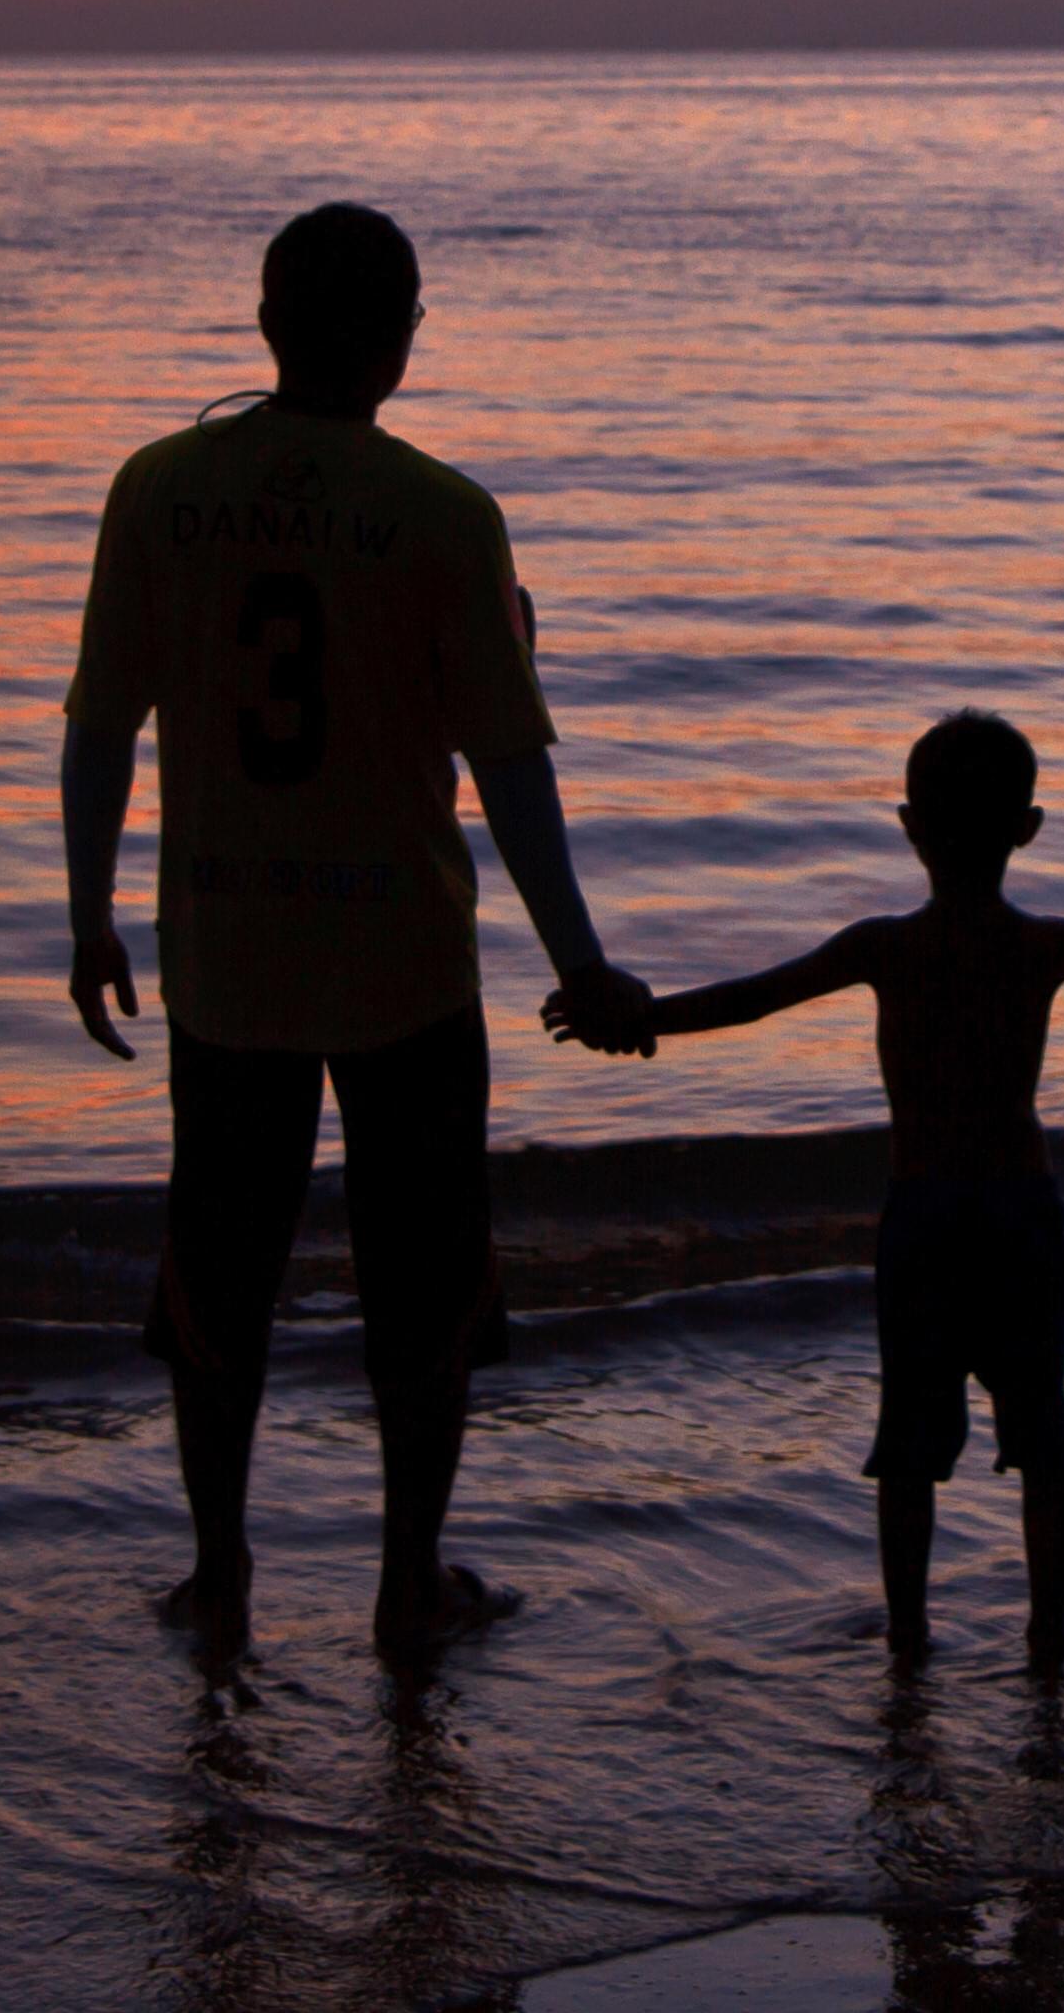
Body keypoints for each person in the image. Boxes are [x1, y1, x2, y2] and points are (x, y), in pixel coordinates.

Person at [61, 201, 658, 1657]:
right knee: (425, 1283)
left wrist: (87, 919)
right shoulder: (447, 517)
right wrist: (578, 962)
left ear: (265, 326)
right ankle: (407, 1580)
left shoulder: (157, 489)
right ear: (403, 340)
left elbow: (100, 731)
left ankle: (221, 1573)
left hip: (224, 963)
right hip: (404, 972)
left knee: (221, 1274)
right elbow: (512, 771)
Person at [582, 710, 1064, 1663]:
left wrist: (640, 1021)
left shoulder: (882, 946)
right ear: (1029, 827)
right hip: (1018, 1213)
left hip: (923, 1216)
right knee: (1042, 1436)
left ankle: (909, 1637)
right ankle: (1046, 1639)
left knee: (911, 1447)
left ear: (909, 825)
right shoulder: (1048, 943)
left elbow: (751, 998)